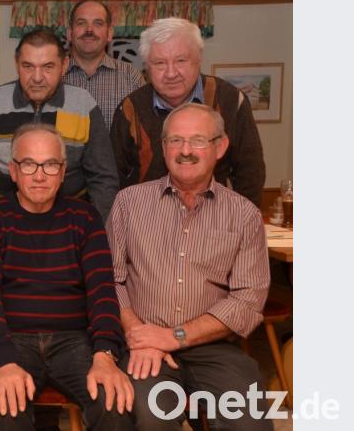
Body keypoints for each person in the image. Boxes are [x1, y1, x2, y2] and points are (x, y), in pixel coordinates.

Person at [107, 103, 272, 430]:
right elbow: (110, 281)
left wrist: (174, 336)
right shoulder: (128, 203)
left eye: (198, 141)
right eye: (175, 141)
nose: (185, 151)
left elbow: (247, 301)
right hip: (144, 345)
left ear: (220, 147)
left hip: (214, 348)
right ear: (163, 147)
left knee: (249, 421)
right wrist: (140, 335)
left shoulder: (244, 215)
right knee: (151, 417)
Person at [0, 123, 134, 431]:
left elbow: (102, 292)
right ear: (13, 171)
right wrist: (3, 360)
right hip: (12, 339)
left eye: (50, 165)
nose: (40, 175)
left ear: (63, 171)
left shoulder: (85, 218)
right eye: (29, 164)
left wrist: (105, 353)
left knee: (113, 404)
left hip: (75, 341)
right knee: (6, 413)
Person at [0, 28, 118, 234]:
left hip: (69, 228)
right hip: (2, 228)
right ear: (17, 64)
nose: (37, 77)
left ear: (64, 65)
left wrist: (95, 233)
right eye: (28, 66)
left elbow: (103, 179)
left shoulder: (83, 105)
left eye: (48, 67)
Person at [111, 17, 266, 206]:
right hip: (149, 217)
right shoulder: (130, 108)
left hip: (215, 217)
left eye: (180, 61)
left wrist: (242, 218)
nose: (171, 73)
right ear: (147, 67)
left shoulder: (231, 100)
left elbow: (250, 171)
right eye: (160, 63)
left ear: (198, 60)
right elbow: (114, 176)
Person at [64, 0, 145, 131]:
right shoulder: (55, 76)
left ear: (109, 33)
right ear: (69, 33)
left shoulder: (131, 77)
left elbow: (143, 131)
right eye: (81, 23)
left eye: (98, 23)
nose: (89, 30)